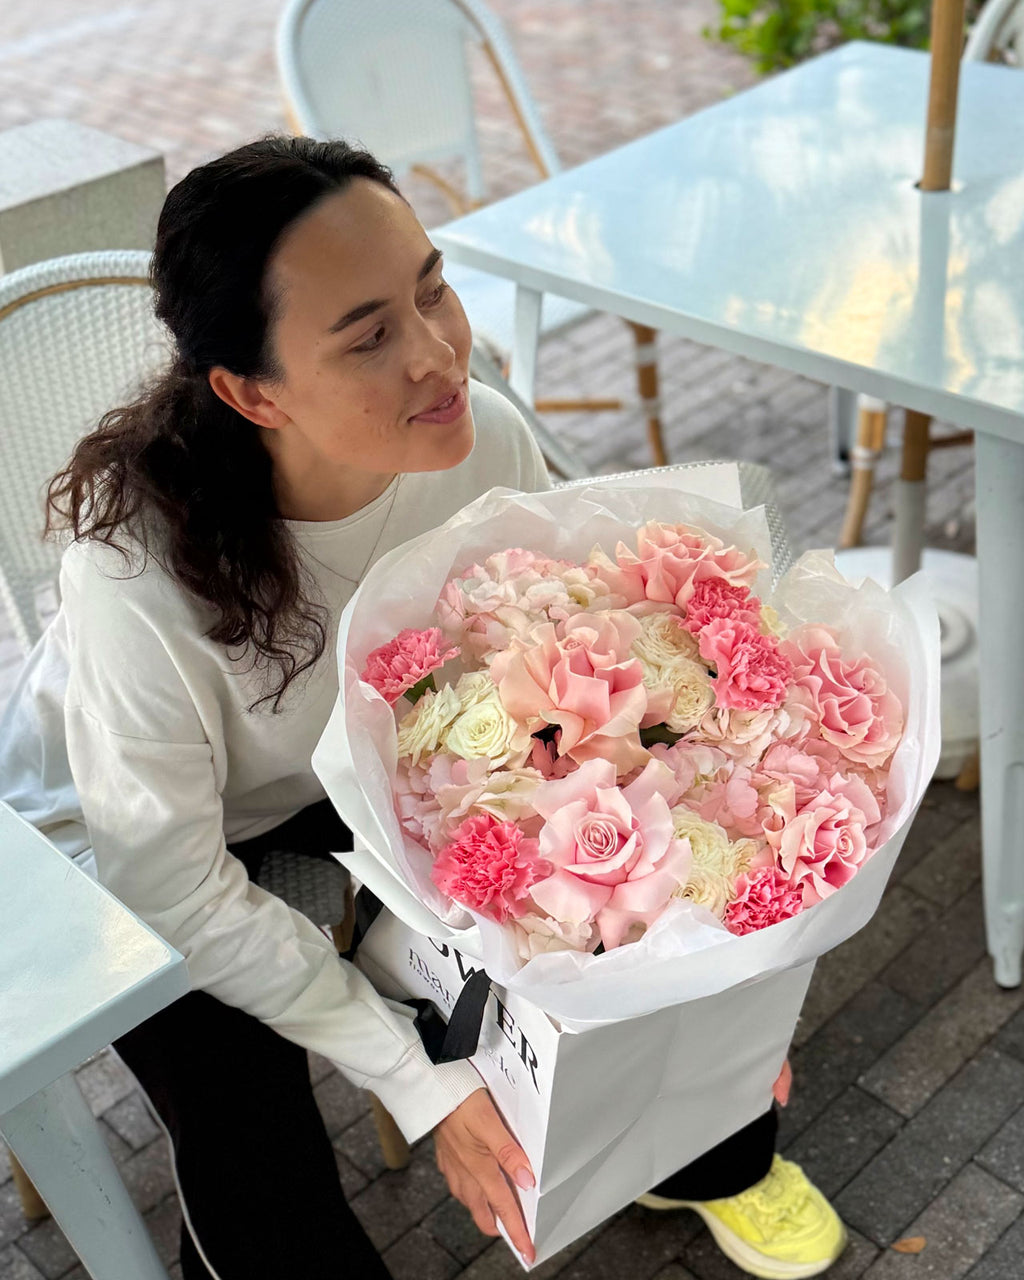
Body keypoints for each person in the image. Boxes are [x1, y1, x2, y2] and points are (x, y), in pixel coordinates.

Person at [0, 136, 845, 1280]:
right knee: (246, 1118)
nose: (440, 352)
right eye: (369, 335)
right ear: (251, 392)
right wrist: (415, 1073)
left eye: (431, 288)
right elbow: (169, 882)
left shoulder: (477, 435)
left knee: (625, 873)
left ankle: (706, 1150)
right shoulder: (135, 578)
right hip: (132, 852)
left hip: (365, 766)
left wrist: (706, 998)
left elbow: (569, 652)